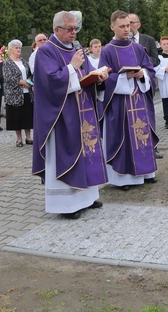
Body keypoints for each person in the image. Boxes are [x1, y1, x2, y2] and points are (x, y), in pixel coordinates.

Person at [32, 11, 108, 219]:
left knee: (88, 154)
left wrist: (100, 77)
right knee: (67, 155)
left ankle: (88, 197)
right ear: (57, 29)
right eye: (70, 29)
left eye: (76, 28)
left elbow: (88, 72)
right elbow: (51, 82)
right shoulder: (46, 52)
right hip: (61, 116)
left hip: (83, 112)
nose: (74, 32)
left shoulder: (76, 48)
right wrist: (72, 67)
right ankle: (66, 205)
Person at [99, 10, 159, 190]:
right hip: (120, 105)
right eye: (122, 26)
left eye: (128, 25)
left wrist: (142, 74)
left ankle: (147, 172)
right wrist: (125, 78)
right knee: (123, 138)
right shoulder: (107, 51)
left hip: (139, 100)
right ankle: (123, 179)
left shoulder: (138, 48)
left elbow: (150, 70)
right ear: (112, 27)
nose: (127, 29)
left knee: (143, 135)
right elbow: (104, 77)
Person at [3, 39, 33, 147]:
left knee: (27, 116)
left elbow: (29, 72)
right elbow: (8, 78)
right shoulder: (7, 62)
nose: (19, 50)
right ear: (10, 50)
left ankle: (28, 137)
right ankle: (19, 139)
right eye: (16, 48)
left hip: (26, 93)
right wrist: (22, 82)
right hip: (14, 94)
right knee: (17, 117)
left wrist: (29, 81)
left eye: (19, 48)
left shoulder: (23, 61)